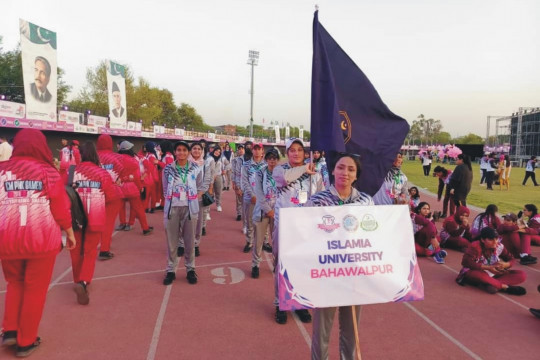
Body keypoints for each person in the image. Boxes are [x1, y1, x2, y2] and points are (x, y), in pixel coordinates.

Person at [0, 129, 76, 357]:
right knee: (35, 289)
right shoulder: (49, 173)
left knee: (14, 283)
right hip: (40, 240)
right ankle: (26, 340)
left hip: (7, 238)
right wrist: (70, 232)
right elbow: (61, 209)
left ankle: (10, 330)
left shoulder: (1, 171)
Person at [305, 153, 373, 360]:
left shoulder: (366, 201)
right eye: (341, 167)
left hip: (354, 274)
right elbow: (306, 235)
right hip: (326, 274)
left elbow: (372, 235)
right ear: (333, 170)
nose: (345, 172)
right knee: (322, 330)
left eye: (351, 169)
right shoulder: (317, 201)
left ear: (356, 175)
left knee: (352, 328)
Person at [272, 138, 324, 325]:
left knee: (303, 265)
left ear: (304, 153)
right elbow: (285, 179)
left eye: (299, 150)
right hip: (284, 224)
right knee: (282, 265)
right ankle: (280, 303)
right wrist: (305, 168)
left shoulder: (315, 176)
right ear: (287, 153)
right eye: (292, 150)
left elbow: (321, 197)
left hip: (305, 228)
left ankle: (300, 303)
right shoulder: (280, 170)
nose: (296, 153)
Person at [68, 142, 117, 305]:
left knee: (75, 250)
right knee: (89, 251)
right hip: (94, 215)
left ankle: (77, 279)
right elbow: (110, 196)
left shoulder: (71, 172)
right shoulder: (102, 174)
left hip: (75, 217)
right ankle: (83, 281)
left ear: (79, 154)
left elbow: (63, 193)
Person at [162, 141, 203, 286]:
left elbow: (200, 185)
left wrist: (193, 197)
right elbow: (165, 187)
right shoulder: (167, 169)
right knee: (172, 241)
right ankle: (171, 270)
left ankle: (190, 269)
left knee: (189, 241)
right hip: (173, 208)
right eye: (178, 150)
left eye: (184, 150)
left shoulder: (196, 168)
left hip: (190, 208)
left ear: (189, 152)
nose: (181, 153)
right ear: (175, 152)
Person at [456, 227, 526, 296]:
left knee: (522, 275)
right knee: (478, 275)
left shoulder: (499, 246)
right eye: (491, 239)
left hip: (493, 273)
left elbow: (511, 259)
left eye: (496, 238)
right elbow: (466, 263)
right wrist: (488, 268)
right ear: (483, 240)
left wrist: (506, 264)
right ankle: (505, 287)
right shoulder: (475, 247)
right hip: (477, 271)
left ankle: (491, 284)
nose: (495, 242)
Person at [96, 134, 125, 260]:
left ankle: (90, 247)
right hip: (113, 192)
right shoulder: (117, 157)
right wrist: (118, 179)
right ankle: (104, 249)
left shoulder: (93, 156)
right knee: (108, 222)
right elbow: (125, 169)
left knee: (94, 221)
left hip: (95, 192)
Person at [251, 148, 279, 278]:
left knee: (277, 241)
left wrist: (275, 211)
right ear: (266, 159)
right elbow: (259, 194)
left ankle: (277, 264)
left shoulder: (281, 173)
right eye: (270, 158)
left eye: (274, 158)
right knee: (259, 241)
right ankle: (255, 265)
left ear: (277, 160)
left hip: (277, 212)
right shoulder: (260, 172)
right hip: (263, 211)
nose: (272, 161)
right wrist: (269, 210)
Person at [117, 141, 153, 235]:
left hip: (120, 186)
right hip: (132, 186)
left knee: (121, 207)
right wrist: (140, 186)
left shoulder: (117, 159)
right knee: (138, 208)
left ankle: (122, 223)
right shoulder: (133, 160)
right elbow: (136, 176)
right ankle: (144, 228)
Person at [184, 142, 213, 257]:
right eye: (194, 148)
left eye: (198, 149)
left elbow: (207, 179)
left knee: (198, 222)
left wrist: (200, 193)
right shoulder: (185, 162)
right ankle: (183, 243)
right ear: (191, 150)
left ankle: (195, 244)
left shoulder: (205, 164)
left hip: (198, 197)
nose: (196, 151)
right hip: (185, 197)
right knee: (184, 221)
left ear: (202, 151)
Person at [241, 143, 266, 253]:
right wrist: (252, 195)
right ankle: (249, 241)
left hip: (264, 199)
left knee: (264, 221)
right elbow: (245, 182)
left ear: (262, 151)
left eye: (258, 149)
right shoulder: (246, 165)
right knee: (249, 221)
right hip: (249, 198)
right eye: (254, 149)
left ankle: (265, 242)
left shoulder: (266, 165)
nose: (256, 151)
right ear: (252, 151)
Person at [231, 144, 245, 222]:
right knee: (239, 199)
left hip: (246, 183)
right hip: (238, 181)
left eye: (242, 148)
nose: (241, 150)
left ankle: (245, 213)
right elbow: (233, 171)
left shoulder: (248, 159)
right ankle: (239, 213)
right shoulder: (235, 160)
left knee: (246, 200)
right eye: (239, 149)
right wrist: (233, 182)